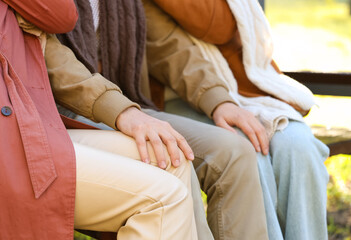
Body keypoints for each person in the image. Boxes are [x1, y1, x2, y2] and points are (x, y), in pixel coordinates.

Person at [56, 0, 270, 239]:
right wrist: (120, 111)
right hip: (66, 113)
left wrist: (219, 100)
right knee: (171, 154)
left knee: (234, 151)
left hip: (126, 106)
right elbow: (53, 63)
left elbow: (170, 47)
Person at [0, 1, 199, 239]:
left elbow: (54, 54)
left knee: (169, 159)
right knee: (164, 197)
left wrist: (123, 111)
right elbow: (62, 14)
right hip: (11, 140)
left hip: (27, 126)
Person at [145, 0, 330, 240]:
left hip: (241, 89)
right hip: (173, 96)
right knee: (247, 151)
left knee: (299, 145)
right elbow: (213, 26)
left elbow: (224, 24)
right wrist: (219, 101)